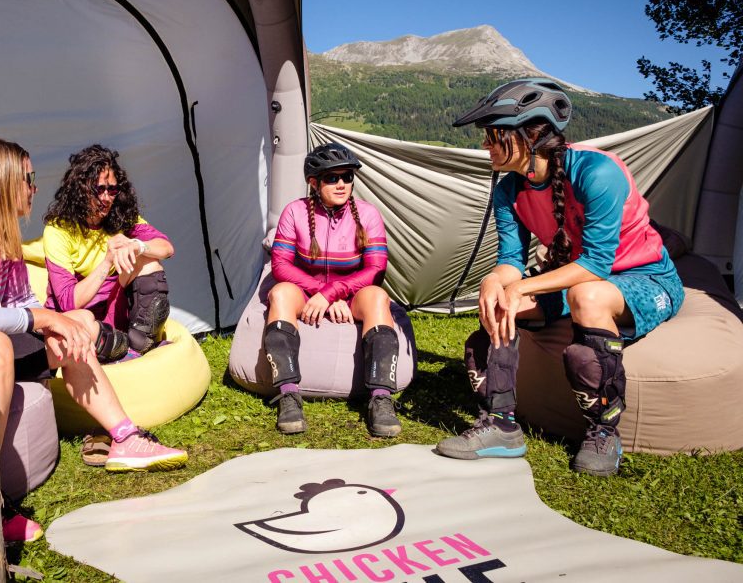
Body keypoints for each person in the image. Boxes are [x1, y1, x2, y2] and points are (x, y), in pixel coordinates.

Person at [0, 137, 187, 543]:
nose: (34, 187)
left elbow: (22, 301)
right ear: (2, 181)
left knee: (73, 328)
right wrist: (42, 316)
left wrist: (60, 325)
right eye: (28, 178)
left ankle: (125, 438)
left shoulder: (2, 230)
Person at [436, 79, 684, 476]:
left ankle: (604, 432)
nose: (485, 145)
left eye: (492, 135)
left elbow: (597, 266)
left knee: (588, 296)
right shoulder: (509, 189)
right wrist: (494, 282)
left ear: (528, 135)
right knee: (505, 302)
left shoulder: (597, 171)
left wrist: (520, 286)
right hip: (575, 279)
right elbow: (511, 260)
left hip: (645, 278)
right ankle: (501, 425)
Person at [264, 142, 412, 437]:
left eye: (347, 177)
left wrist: (334, 294)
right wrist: (319, 291)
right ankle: (289, 395)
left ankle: (381, 399)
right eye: (332, 178)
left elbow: (376, 268)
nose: (342, 184)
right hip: (306, 292)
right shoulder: (294, 212)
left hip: (351, 295)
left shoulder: (368, 215)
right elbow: (280, 265)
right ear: (313, 182)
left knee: (379, 297)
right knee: (279, 293)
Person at [42, 145, 173, 359]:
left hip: (114, 312)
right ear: (81, 189)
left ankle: (135, 347)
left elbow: (166, 248)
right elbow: (69, 302)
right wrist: (107, 262)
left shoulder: (121, 217)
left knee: (149, 262)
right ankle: (119, 352)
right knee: (83, 319)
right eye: (99, 189)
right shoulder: (58, 230)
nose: (106, 198)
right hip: (78, 318)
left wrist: (138, 246)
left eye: (112, 190)